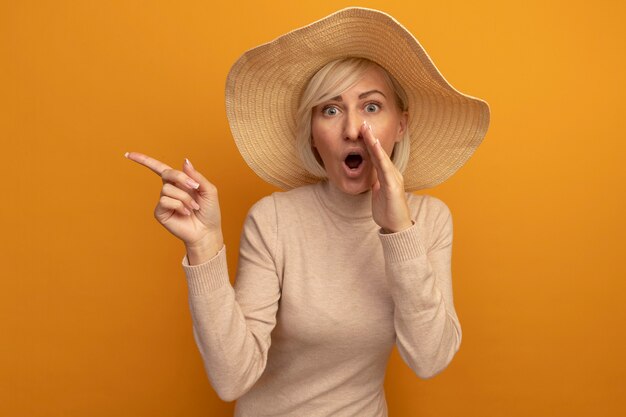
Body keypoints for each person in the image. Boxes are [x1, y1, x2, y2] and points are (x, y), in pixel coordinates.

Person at [126, 7, 489, 416]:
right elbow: (232, 379)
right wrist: (205, 248)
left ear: (400, 126)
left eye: (371, 107)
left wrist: (398, 231)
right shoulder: (274, 220)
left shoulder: (430, 220)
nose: (353, 130)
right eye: (330, 110)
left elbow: (429, 359)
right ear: (314, 136)